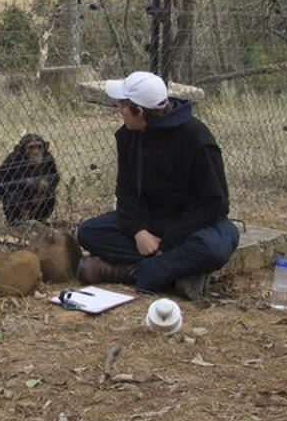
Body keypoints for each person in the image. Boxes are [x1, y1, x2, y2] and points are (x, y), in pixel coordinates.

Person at [76, 71, 239, 300]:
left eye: (123, 105)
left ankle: (132, 272)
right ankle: (175, 272)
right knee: (89, 232)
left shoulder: (197, 138)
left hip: (193, 224)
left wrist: (169, 241)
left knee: (217, 245)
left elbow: (216, 204)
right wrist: (139, 231)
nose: (120, 111)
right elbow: (126, 193)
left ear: (139, 111)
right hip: (152, 222)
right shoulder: (127, 136)